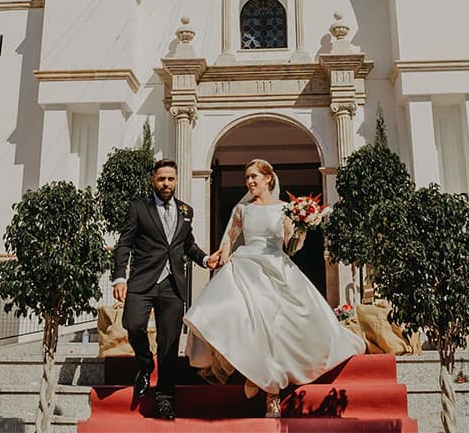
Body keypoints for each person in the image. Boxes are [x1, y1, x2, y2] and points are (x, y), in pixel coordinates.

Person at [184, 159, 366, 417]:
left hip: (276, 267)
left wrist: (302, 227)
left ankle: (270, 391)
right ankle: (258, 376)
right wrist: (223, 255)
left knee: (276, 328)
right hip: (246, 265)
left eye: (254, 176)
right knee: (244, 321)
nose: (249, 181)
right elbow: (230, 239)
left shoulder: (285, 209)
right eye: (247, 177)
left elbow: (290, 247)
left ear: (269, 179)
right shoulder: (241, 209)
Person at [111, 159, 217, 420]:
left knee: (169, 345)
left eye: (170, 179)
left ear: (176, 180)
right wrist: (119, 277)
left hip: (172, 285)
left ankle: (164, 399)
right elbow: (124, 244)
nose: (166, 183)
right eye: (161, 179)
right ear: (153, 181)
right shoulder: (138, 208)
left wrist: (205, 260)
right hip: (142, 282)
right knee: (133, 325)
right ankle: (145, 365)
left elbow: (187, 245)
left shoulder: (186, 210)